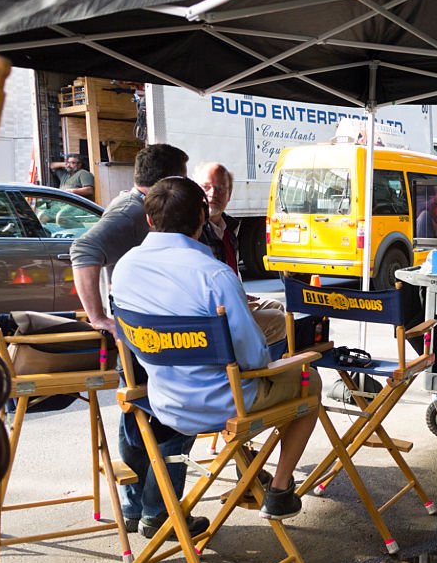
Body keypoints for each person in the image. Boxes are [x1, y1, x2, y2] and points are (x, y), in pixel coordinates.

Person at [111, 177, 320, 521]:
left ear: (150, 220)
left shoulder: (125, 268)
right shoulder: (214, 275)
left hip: (161, 399)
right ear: (202, 219)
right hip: (221, 406)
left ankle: (250, 473)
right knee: (308, 379)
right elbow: (253, 358)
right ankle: (280, 491)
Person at [70, 143, 195, 538]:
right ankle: (158, 511)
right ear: (168, 180)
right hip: (139, 329)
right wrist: (97, 317)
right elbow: (83, 248)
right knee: (163, 417)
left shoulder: (135, 205)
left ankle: (139, 507)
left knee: (138, 416)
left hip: (138, 327)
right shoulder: (130, 211)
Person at [193, 162, 286, 345]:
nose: (213, 194)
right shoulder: (195, 231)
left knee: (277, 306)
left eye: (221, 189)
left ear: (229, 195)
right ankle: (253, 368)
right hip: (214, 314)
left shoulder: (229, 229)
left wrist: (240, 294)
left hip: (231, 302)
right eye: (206, 187)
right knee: (277, 320)